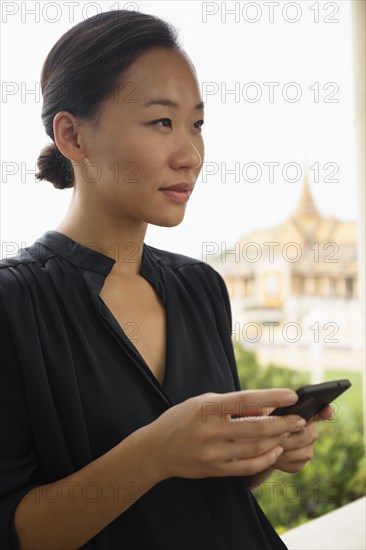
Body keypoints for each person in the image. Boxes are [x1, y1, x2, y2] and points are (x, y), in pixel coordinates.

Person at [0, 9, 332, 550]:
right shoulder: (15, 304)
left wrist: (267, 453)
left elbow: (210, 483)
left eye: (197, 125)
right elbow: (13, 530)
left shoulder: (200, 286)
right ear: (72, 135)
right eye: (162, 122)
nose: (191, 155)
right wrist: (152, 453)